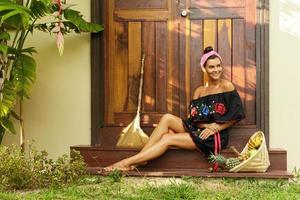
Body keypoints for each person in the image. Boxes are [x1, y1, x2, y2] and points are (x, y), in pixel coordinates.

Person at [103, 46, 245, 172]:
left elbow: (237, 114)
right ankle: (142, 158)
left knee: (167, 139)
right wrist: (204, 125)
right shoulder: (199, 91)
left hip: (213, 137)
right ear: (204, 68)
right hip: (199, 129)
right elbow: (194, 119)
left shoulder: (226, 86)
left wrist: (215, 127)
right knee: (167, 118)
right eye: (212, 67)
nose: (216, 70)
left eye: (218, 66)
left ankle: (127, 162)